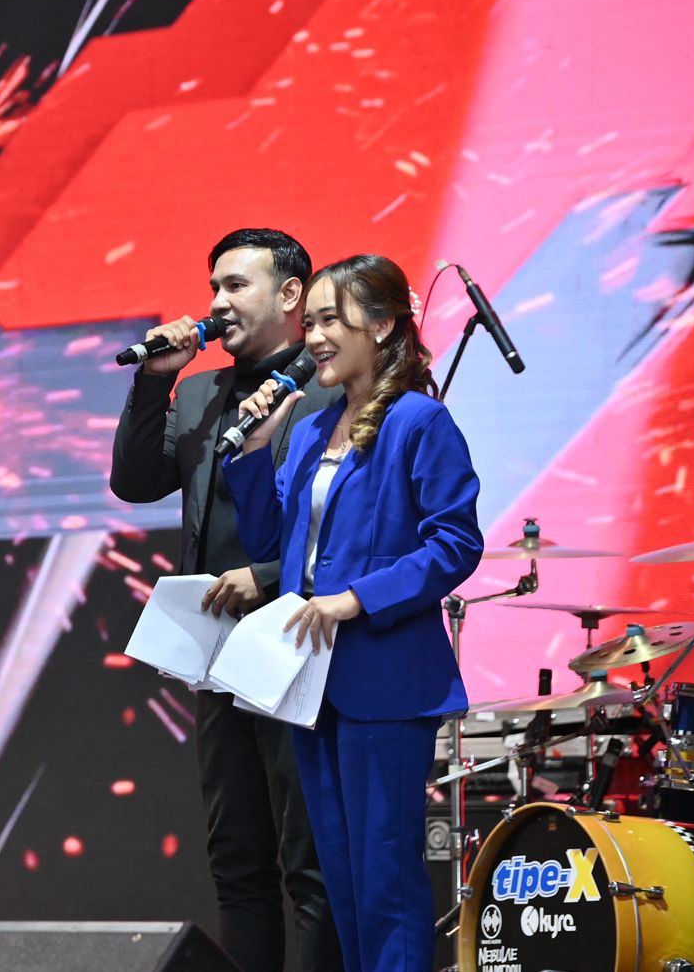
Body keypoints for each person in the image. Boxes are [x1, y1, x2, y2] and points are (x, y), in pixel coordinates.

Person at [224, 253, 484, 972]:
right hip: (312, 682)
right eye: (308, 323)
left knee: (385, 875)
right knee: (340, 878)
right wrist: (254, 448)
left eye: (330, 320)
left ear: (384, 324)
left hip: (385, 678)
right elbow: (274, 543)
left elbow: (456, 542)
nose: (312, 337)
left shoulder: (419, 421)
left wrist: (358, 597)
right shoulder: (311, 431)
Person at [111, 228, 342, 972]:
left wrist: (268, 576)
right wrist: (155, 382)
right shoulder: (200, 394)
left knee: (309, 860)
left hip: (299, 640)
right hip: (217, 651)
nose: (216, 302)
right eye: (213, 286)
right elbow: (134, 482)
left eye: (236, 285)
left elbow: (346, 524)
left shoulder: (330, 389)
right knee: (237, 858)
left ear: (290, 294)